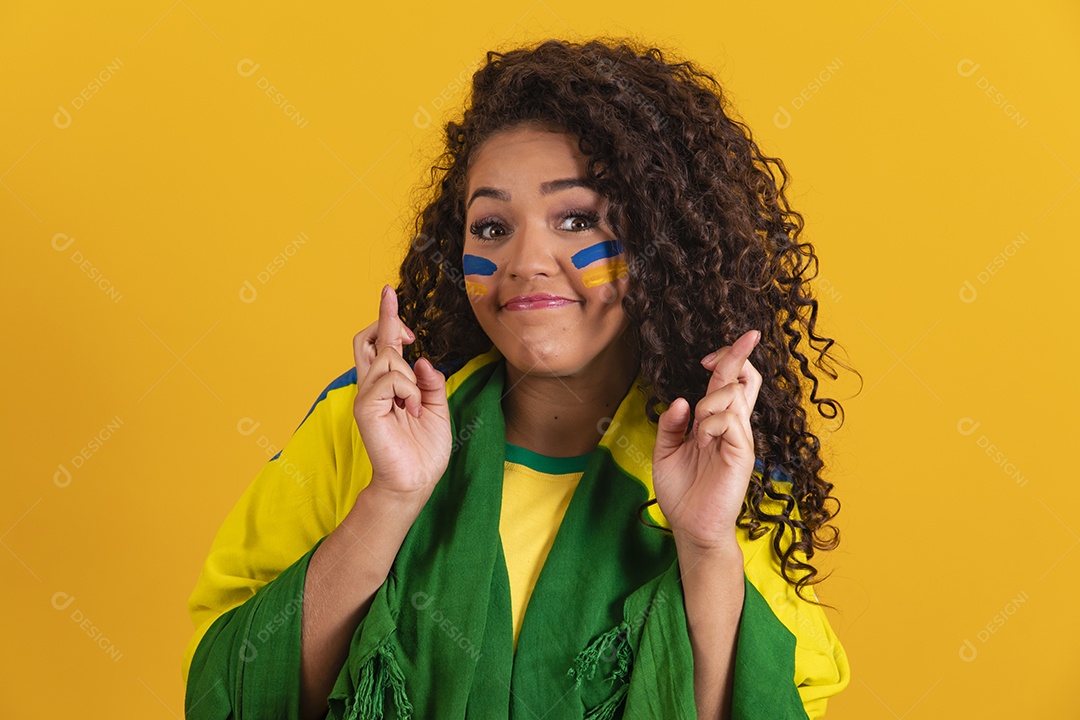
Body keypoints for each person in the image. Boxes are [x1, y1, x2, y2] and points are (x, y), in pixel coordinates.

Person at [183, 38, 853, 719]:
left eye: (577, 219)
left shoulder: (719, 465)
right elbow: (233, 694)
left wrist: (706, 546)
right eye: (493, 225)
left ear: (660, 239)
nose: (528, 261)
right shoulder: (359, 428)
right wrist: (391, 499)